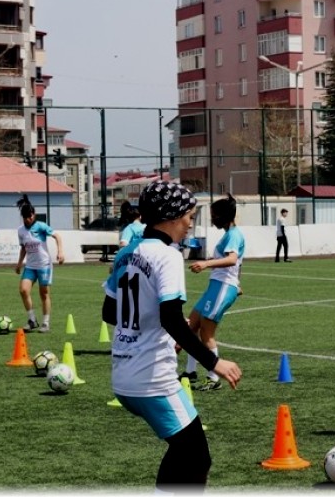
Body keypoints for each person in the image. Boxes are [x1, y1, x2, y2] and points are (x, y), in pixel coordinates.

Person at [102, 181, 241, 490]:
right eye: (189, 216)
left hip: (123, 377)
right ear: (172, 215)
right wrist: (212, 362)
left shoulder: (125, 254)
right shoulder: (168, 256)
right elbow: (172, 319)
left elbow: (110, 313)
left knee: (185, 452)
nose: (191, 224)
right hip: (152, 379)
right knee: (196, 457)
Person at [182, 195, 245, 391]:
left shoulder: (234, 234)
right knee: (191, 327)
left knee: (207, 335)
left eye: (214, 215)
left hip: (222, 287)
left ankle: (213, 378)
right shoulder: (229, 234)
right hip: (216, 287)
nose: (212, 219)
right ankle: (190, 372)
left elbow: (233, 259)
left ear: (224, 215)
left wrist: (206, 263)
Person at [14, 195, 64, 332]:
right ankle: (32, 320)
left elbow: (57, 236)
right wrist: (19, 264)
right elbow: (23, 248)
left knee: (44, 293)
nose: (28, 219)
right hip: (30, 266)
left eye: (30, 216)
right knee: (23, 290)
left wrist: (60, 252)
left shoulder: (41, 226)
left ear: (33, 215)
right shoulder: (21, 231)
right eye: (25, 217)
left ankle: (46, 323)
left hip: (44, 265)